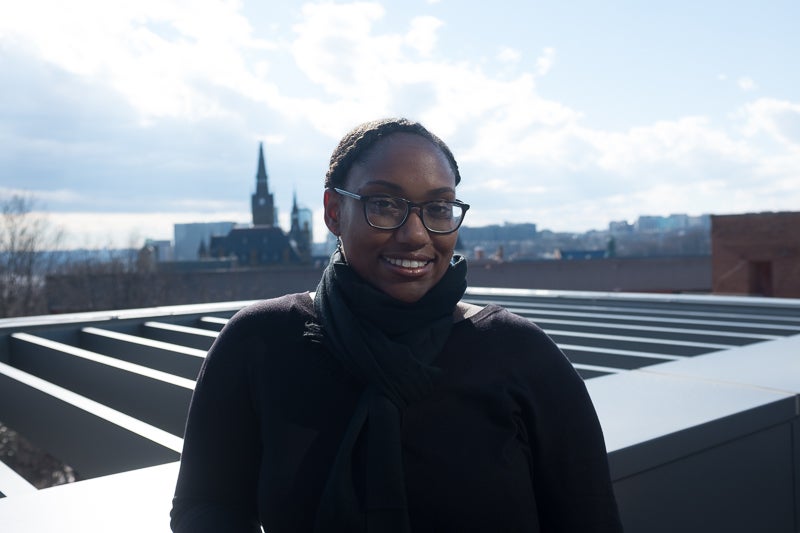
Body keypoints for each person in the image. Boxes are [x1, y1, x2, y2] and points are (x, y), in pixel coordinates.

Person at [170, 118, 623, 532]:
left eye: (439, 208)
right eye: (385, 204)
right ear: (333, 212)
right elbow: (205, 506)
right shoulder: (262, 341)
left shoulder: (520, 353)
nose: (415, 234)